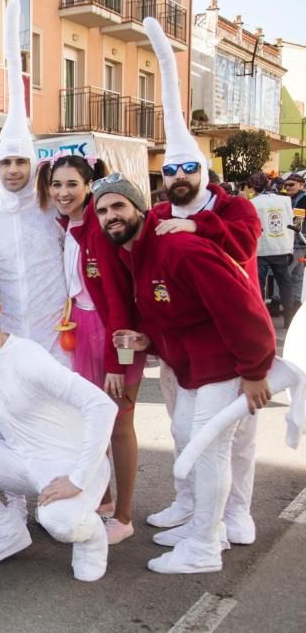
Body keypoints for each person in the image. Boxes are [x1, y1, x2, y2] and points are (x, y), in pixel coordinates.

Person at [93, 173, 276, 574]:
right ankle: (201, 524)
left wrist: (255, 371)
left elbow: (243, 307)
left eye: (118, 206)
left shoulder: (179, 248)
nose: (110, 216)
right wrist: (148, 344)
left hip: (225, 367)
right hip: (193, 369)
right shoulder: (137, 255)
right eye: (103, 211)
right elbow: (174, 317)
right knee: (185, 437)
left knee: (207, 451)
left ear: (139, 209)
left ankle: (204, 548)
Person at [143, 18, 263, 544]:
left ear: (204, 171)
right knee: (182, 429)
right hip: (179, 345)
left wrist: (196, 224)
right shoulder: (156, 213)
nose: (177, 180)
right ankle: (189, 503)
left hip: (233, 344)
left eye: (187, 169)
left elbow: (241, 247)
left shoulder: (236, 209)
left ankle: (236, 513)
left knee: (234, 437)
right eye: (170, 173)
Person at [0, 275, 117, 581]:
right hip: (22, 462)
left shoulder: (27, 357)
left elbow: (101, 405)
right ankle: (6, 529)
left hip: (73, 465)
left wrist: (78, 478)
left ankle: (91, 535)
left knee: (60, 523)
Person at [38, 154, 144, 544]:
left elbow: (119, 300)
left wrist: (119, 362)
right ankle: (101, 501)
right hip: (81, 329)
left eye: (72, 185)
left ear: (88, 185)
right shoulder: (72, 226)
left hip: (113, 334)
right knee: (88, 423)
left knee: (119, 425)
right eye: (56, 184)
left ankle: (124, 515)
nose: (63, 193)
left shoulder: (99, 231)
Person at [0, 1, 68, 365]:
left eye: (20, 161)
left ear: (34, 163)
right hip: (6, 336)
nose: (12, 170)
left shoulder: (54, 208)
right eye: (6, 162)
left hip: (56, 333)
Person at [249, 173, 296, 327]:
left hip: (262, 248)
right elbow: (290, 221)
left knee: (260, 284)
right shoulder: (285, 200)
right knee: (285, 284)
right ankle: (289, 318)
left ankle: (262, 319)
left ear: (254, 186)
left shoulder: (253, 203)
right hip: (281, 246)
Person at [283, 172, 306, 310]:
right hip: (293, 241)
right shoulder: (288, 198)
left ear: (301, 184)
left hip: (297, 241)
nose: (288, 187)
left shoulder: (303, 199)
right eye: (286, 185)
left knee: (288, 272)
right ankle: (296, 301)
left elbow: (298, 221)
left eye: (291, 185)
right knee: (297, 273)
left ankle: (280, 300)